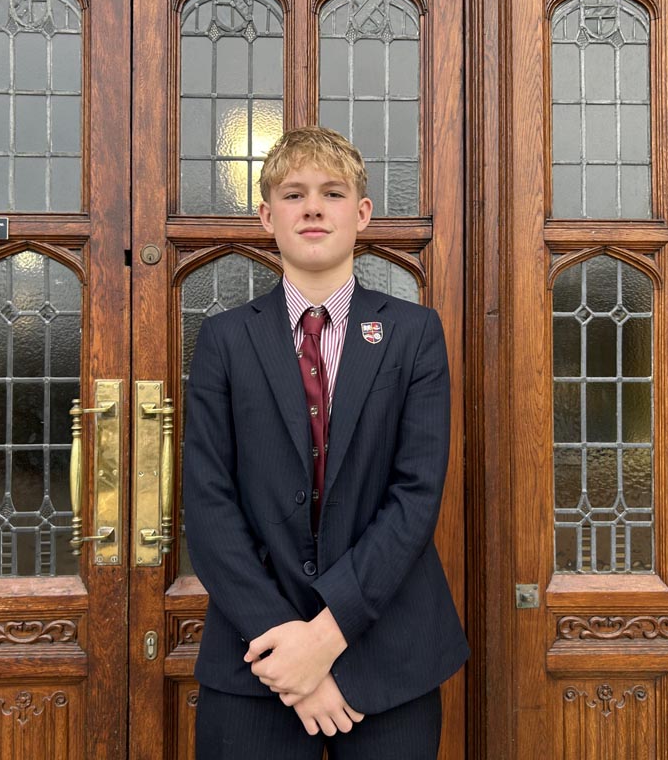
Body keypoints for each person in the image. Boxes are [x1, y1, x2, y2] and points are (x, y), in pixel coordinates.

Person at [183, 126, 468, 759]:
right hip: (256, 656)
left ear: (361, 213)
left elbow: (416, 496)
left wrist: (327, 636)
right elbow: (207, 504)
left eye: (332, 193)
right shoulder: (225, 340)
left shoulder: (414, 334)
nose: (312, 207)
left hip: (389, 652)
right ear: (266, 216)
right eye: (293, 193)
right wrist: (288, 644)